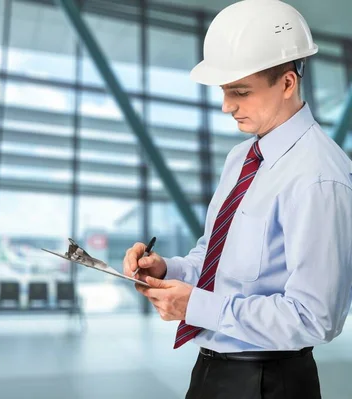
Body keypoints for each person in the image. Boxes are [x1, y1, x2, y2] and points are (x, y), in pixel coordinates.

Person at [122, 1, 352, 398]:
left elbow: (316, 317)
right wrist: (168, 269)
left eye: (240, 92)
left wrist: (196, 307)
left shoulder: (319, 177)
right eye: (225, 92)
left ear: (286, 84)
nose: (227, 106)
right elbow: (214, 257)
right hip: (211, 370)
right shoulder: (241, 158)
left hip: (270, 382)